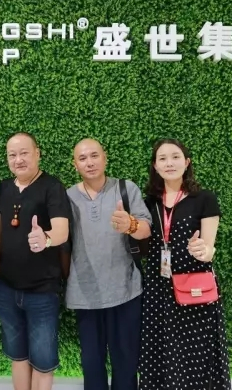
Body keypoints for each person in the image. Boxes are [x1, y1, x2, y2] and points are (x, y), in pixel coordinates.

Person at [138, 139, 231, 389]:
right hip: (158, 289)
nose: (169, 163)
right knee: (161, 352)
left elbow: (209, 248)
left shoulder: (204, 199)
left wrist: (203, 250)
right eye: (162, 158)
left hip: (195, 288)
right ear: (155, 166)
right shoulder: (148, 203)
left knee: (197, 353)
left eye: (176, 157)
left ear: (187, 162)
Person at [65, 139, 152, 390]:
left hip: (125, 289)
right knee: (91, 363)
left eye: (94, 156)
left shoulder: (126, 189)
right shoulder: (67, 197)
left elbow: (146, 230)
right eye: (82, 158)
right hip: (85, 293)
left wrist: (130, 225)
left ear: (105, 157)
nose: (89, 162)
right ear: (75, 164)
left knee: (126, 361)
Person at [0, 132, 72, 390]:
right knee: (18, 356)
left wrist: (45, 238)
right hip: (6, 288)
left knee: (43, 361)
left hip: (42, 290)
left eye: (24, 153)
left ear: (37, 153)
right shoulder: (3, 187)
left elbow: (62, 231)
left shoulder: (52, 186)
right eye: (12, 155)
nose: (18, 160)